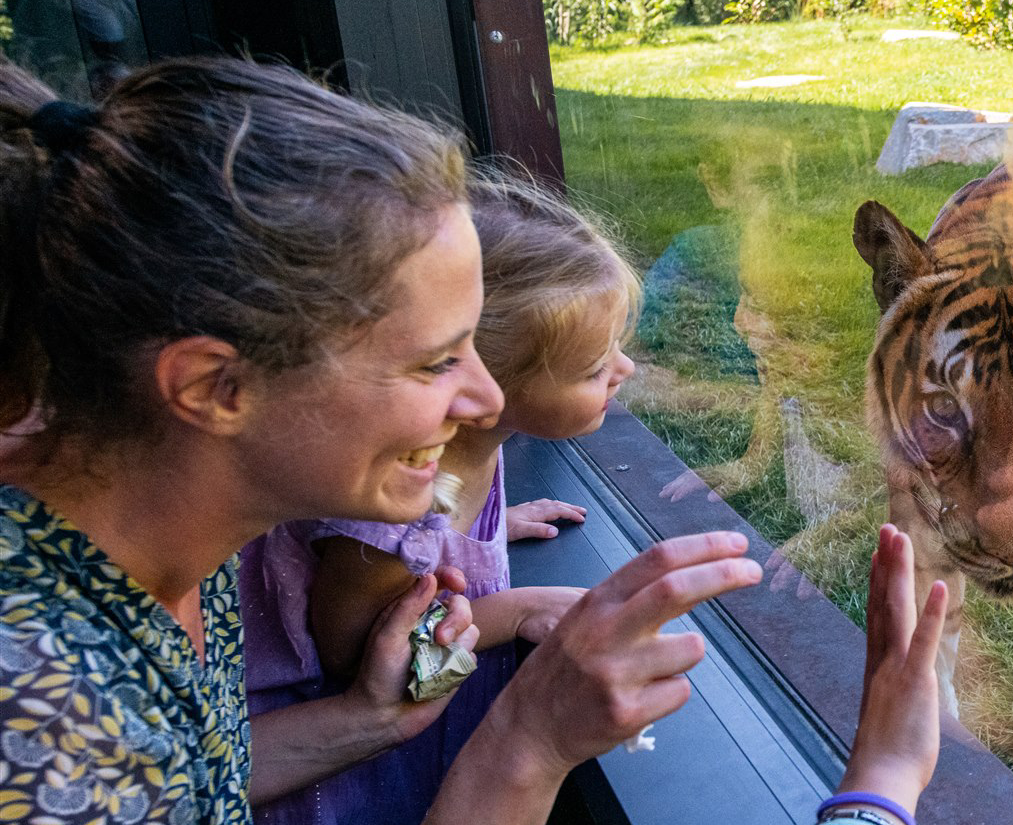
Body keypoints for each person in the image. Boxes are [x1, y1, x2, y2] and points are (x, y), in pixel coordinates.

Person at [0, 54, 945, 825]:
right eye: (434, 362)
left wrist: (363, 719)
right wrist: (527, 741)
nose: (486, 394)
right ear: (212, 387)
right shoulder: (47, 730)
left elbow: (204, 777)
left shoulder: (159, 546)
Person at [240, 170, 637, 825]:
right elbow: (367, 668)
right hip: (341, 784)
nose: (623, 370)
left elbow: (431, 557)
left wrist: (485, 531)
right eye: (594, 367)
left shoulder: (470, 449)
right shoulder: (389, 513)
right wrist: (515, 611)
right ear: (481, 385)